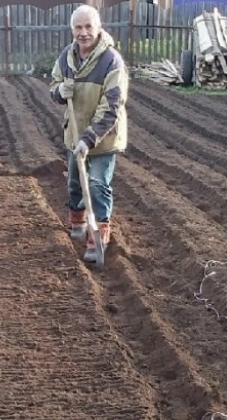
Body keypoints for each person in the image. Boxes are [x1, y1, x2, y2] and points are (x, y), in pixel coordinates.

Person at [49, 4, 129, 264]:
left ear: (98, 28)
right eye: (78, 27)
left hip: (103, 138)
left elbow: (112, 107)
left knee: (96, 184)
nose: (83, 33)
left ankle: (99, 233)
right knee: (74, 182)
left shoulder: (111, 61)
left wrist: (89, 138)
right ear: (72, 29)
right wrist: (61, 91)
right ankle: (77, 220)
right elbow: (53, 86)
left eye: (88, 27)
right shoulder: (66, 58)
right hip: (75, 133)